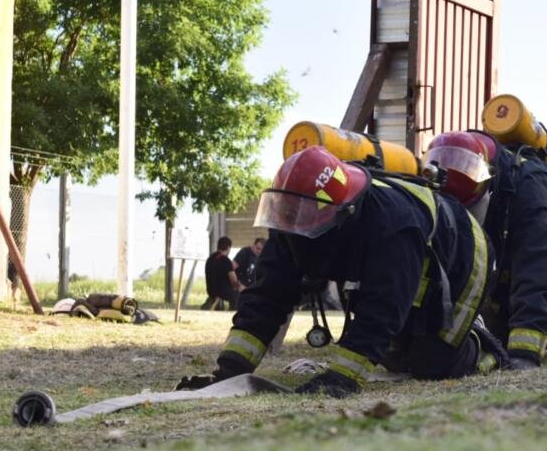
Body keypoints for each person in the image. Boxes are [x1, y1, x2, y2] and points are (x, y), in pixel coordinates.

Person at [179, 145, 514, 397]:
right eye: (289, 214)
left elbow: (383, 307)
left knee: (432, 364)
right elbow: (267, 297)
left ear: (342, 215)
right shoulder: (291, 224)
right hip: (410, 261)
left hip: (465, 254)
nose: (295, 225)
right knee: (397, 355)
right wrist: (229, 372)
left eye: (303, 216)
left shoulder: (390, 227)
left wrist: (341, 377)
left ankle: (484, 351)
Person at [423, 131, 547, 368]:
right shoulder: (461, 169)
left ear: (488, 184)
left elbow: (538, 268)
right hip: (510, 292)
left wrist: (524, 354)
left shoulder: (533, 192)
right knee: (495, 348)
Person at [200, 236, 241, 310]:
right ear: (228, 248)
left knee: (219, 293)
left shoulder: (210, 259)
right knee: (237, 295)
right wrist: (239, 286)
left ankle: (209, 304)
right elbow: (233, 280)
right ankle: (233, 312)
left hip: (211, 290)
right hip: (223, 291)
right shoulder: (226, 260)